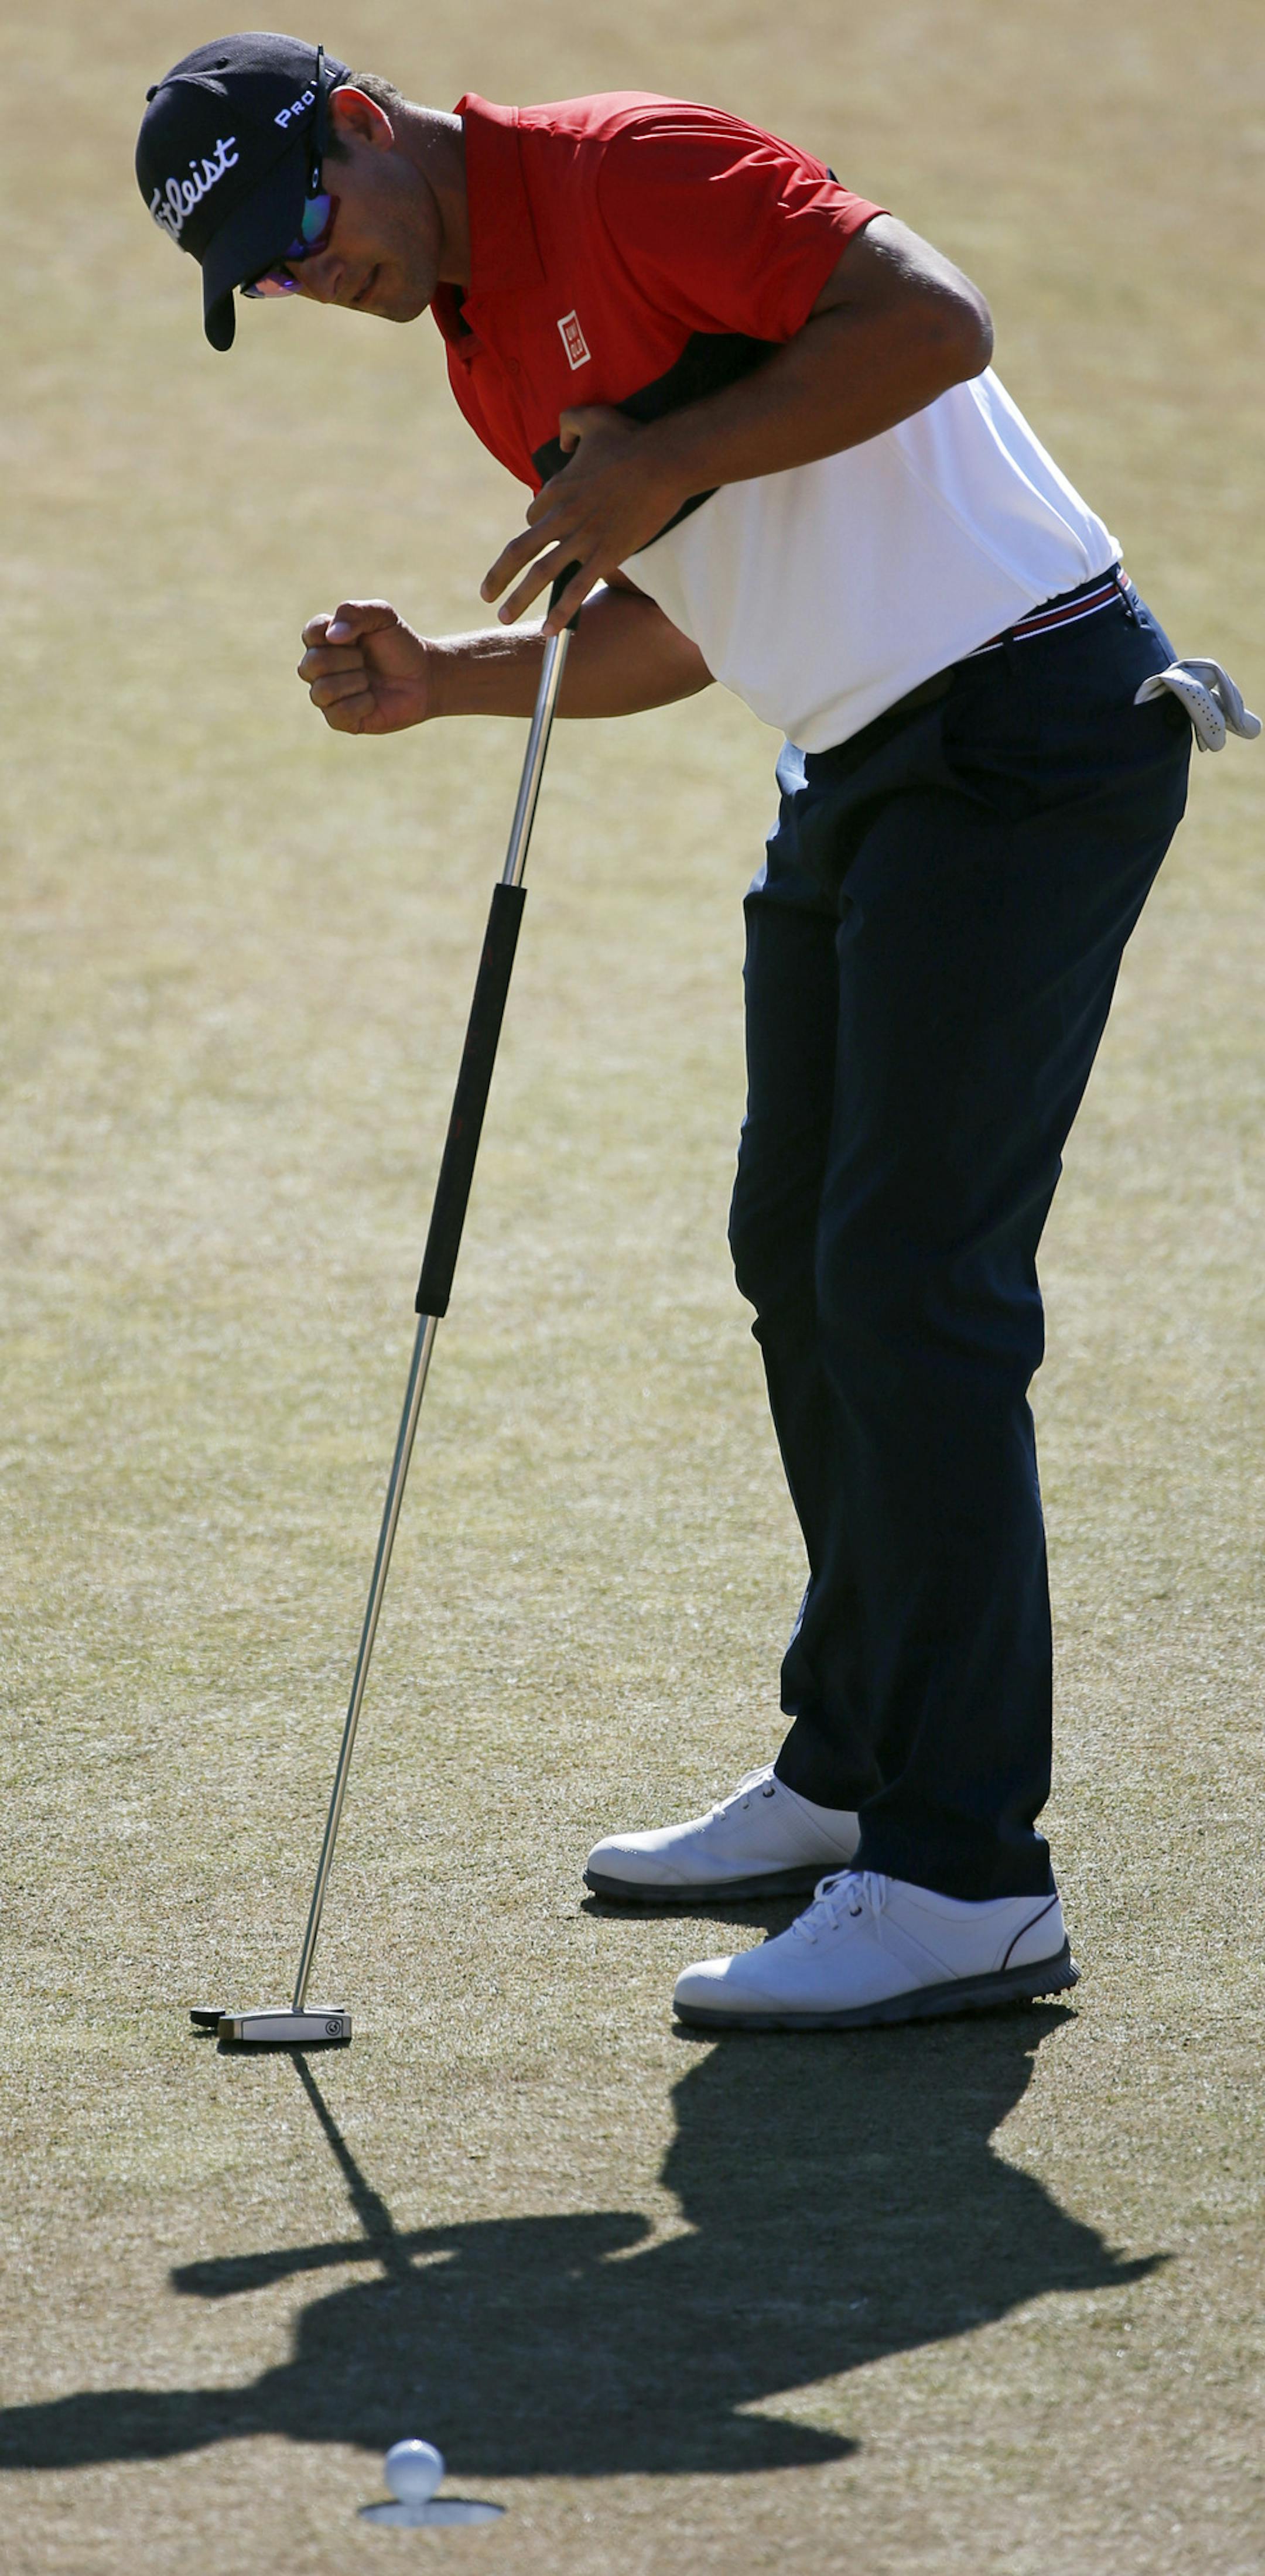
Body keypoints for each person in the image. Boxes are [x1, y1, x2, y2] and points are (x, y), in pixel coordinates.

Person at [135, 33, 1254, 2033]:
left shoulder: (631, 169)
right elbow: (693, 610)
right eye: (267, 280)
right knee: (799, 1263)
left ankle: (969, 1876)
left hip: (1026, 728)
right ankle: (859, 1765)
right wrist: (446, 679)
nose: (310, 278)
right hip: (859, 763)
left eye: (302, 223)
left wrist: (656, 460)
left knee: (911, 1286)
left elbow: (934, 323)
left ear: (362, 125)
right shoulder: (481, 350)